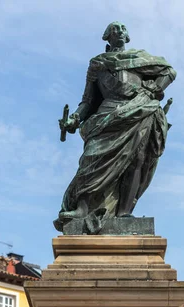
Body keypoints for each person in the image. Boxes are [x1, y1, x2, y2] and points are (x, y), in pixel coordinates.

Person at [55, 21, 176, 234]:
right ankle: (82, 209)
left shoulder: (139, 59)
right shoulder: (97, 64)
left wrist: (153, 89)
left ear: (127, 36)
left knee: (136, 160)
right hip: (107, 115)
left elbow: (169, 72)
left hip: (139, 110)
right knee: (91, 160)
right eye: (115, 29)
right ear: (107, 37)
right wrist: (74, 118)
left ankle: (124, 213)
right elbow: (88, 101)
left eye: (123, 29)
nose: (119, 32)